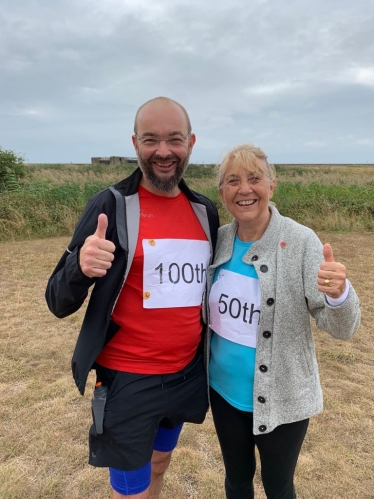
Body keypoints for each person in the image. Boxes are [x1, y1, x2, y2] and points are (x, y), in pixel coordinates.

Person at [45, 96, 219, 499]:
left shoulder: (204, 211)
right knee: (131, 488)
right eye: (150, 139)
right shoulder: (110, 205)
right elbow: (57, 300)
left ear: (190, 142)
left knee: (159, 465)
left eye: (174, 139)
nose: (163, 151)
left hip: (187, 374)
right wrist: (80, 268)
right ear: (135, 142)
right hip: (128, 379)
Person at [206, 143, 360, 499]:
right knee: (236, 480)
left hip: (284, 396)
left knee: (278, 487)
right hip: (224, 393)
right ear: (223, 193)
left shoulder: (301, 242)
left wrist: (339, 295)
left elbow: (342, 327)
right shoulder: (219, 240)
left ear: (271, 186)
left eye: (254, 178)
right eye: (233, 181)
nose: (244, 189)